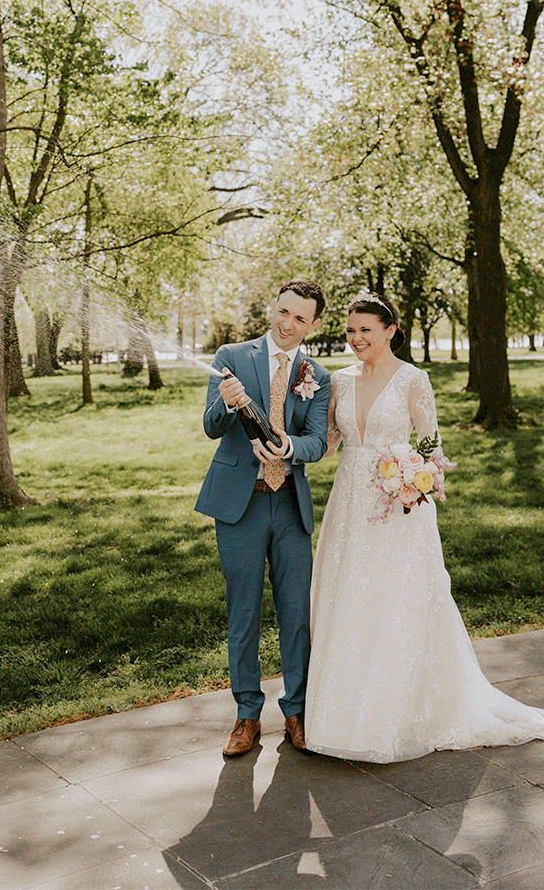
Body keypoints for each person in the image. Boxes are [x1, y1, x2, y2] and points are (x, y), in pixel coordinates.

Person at [304, 291, 544, 762]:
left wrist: (409, 479)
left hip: (399, 506)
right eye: (350, 330)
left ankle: (395, 712)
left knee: (394, 597)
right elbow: (328, 444)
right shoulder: (338, 381)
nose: (357, 338)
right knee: (348, 595)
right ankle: (339, 712)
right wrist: (288, 444)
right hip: (348, 504)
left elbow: (431, 447)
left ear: (390, 331)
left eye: (366, 330)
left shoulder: (413, 380)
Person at [195, 279, 331, 756]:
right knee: (244, 612)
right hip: (240, 505)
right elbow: (211, 427)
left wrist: (290, 446)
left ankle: (297, 710)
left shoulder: (318, 374)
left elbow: (319, 440)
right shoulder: (233, 355)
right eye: (283, 312)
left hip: (290, 506)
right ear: (272, 308)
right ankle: (246, 716)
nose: (287, 324)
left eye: (300, 318)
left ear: (314, 325)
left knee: (296, 613)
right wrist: (228, 404)